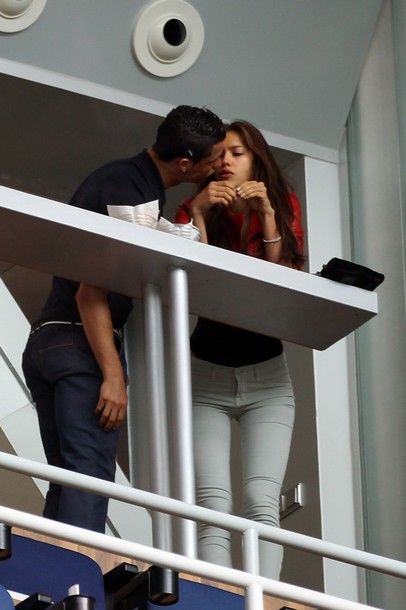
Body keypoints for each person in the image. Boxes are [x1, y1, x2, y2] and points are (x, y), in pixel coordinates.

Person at [22, 105, 226, 533]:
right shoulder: (131, 189)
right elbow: (90, 289)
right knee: (90, 476)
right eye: (215, 157)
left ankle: (57, 581)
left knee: (68, 477)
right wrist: (113, 374)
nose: (221, 164)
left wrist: (198, 212)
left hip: (52, 341)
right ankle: (80, 589)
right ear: (186, 163)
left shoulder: (130, 182)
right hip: (80, 344)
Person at [175, 120, 304, 579]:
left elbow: (282, 287)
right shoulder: (193, 209)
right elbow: (194, 284)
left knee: (261, 501)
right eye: (220, 154)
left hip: (268, 378)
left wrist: (267, 216)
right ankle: (220, 600)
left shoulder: (282, 205)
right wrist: (198, 214)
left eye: (238, 153)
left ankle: (262, 600)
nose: (227, 161)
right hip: (204, 376)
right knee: (213, 502)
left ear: (257, 161)